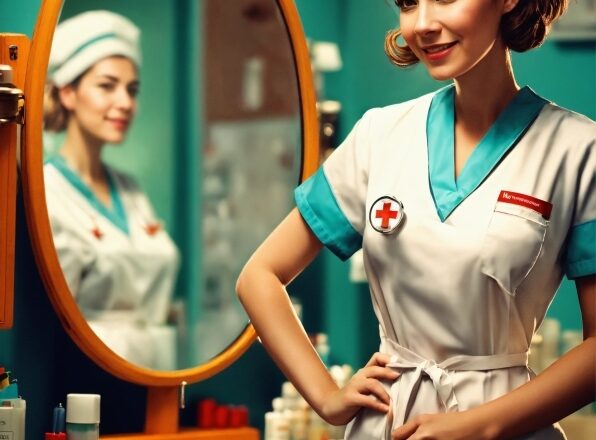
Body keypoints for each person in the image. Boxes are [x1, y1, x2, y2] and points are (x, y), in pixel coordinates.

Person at [236, 0, 595, 438]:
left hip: (506, 426)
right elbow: (259, 276)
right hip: (387, 421)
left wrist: (476, 426)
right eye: (408, 3)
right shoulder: (379, 136)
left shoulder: (578, 150)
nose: (422, 25)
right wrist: (327, 398)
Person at [43, 10, 180, 370]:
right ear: (68, 92)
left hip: (157, 377)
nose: (125, 102)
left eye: (132, 90)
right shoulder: (46, 191)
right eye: (107, 86)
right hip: (88, 382)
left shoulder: (130, 190)